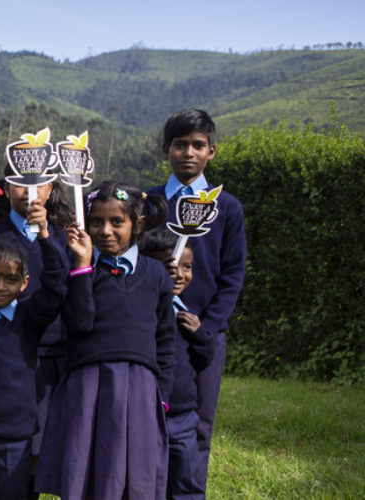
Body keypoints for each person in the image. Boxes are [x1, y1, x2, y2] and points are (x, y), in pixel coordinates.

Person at [36, 181, 176, 500]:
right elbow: (80, 323)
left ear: (137, 223)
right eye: (96, 222)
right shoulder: (82, 270)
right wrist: (82, 266)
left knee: (135, 473)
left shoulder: (155, 274)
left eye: (117, 222)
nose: (105, 231)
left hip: (140, 386)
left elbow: (166, 340)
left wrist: (162, 396)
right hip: (89, 382)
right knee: (86, 468)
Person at [146, 109, 245, 492]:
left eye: (198, 145)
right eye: (180, 144)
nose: (189, 152)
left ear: (212, 152)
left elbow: (233, 274)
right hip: (152, 329)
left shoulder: (227, 208)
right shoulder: (149, 203)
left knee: (199, 425)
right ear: (166, 150)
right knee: (150, 416)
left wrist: (210, 324)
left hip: (203, 332)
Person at [0, 231, 65, 499]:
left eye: (10, 280)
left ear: (24, 283)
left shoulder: (29, 316)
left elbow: (56, 285)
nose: (0, 286)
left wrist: (45, 238)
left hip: (16, 437)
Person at [138, 228, 215, 499]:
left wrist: (201, 335)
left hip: (182, 418)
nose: (179, 274)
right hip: (145, 416)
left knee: (186, 483)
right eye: (169, 266)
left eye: (187, 267)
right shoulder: (141, 312)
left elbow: (204, 361)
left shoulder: (187, 315)